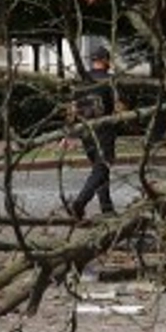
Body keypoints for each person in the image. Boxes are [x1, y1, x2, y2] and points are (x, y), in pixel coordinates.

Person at [67, 44, 121, 218]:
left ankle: (107, 208)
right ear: (105, 61)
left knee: (100, 169)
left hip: (85, 131)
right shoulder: (110, 81)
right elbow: (119, 106)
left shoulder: (82, 81)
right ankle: (80, 201)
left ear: (92, 61)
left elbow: (72, 108)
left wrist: (70, 133)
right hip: (104, 130)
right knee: (102, 168)